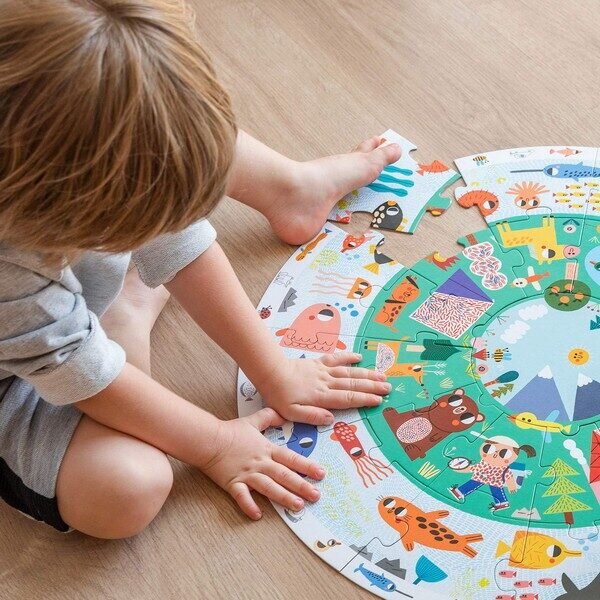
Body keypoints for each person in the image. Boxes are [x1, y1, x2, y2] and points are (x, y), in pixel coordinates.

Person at [0, 0, 402, 538]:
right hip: (15, 374)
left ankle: (290, 191)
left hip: (45, 259)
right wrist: (216, 443)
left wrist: (274, 371)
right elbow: (74, 367)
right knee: (125, 489)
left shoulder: (73, 156)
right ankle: (124, 316)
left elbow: (174, 222)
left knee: (153, 125)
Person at [449, 435, 536, 512]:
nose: (495, 454)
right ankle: (459, 492)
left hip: (495, 481)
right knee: (472, 484)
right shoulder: (484, 462)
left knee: (496, 491)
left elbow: (508, 475)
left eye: (504, 453)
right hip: (480, 477)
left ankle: (502, 503)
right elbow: (474, 468)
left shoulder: (504, 468)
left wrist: (512, 486)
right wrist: (460, 469)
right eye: (488, 448)